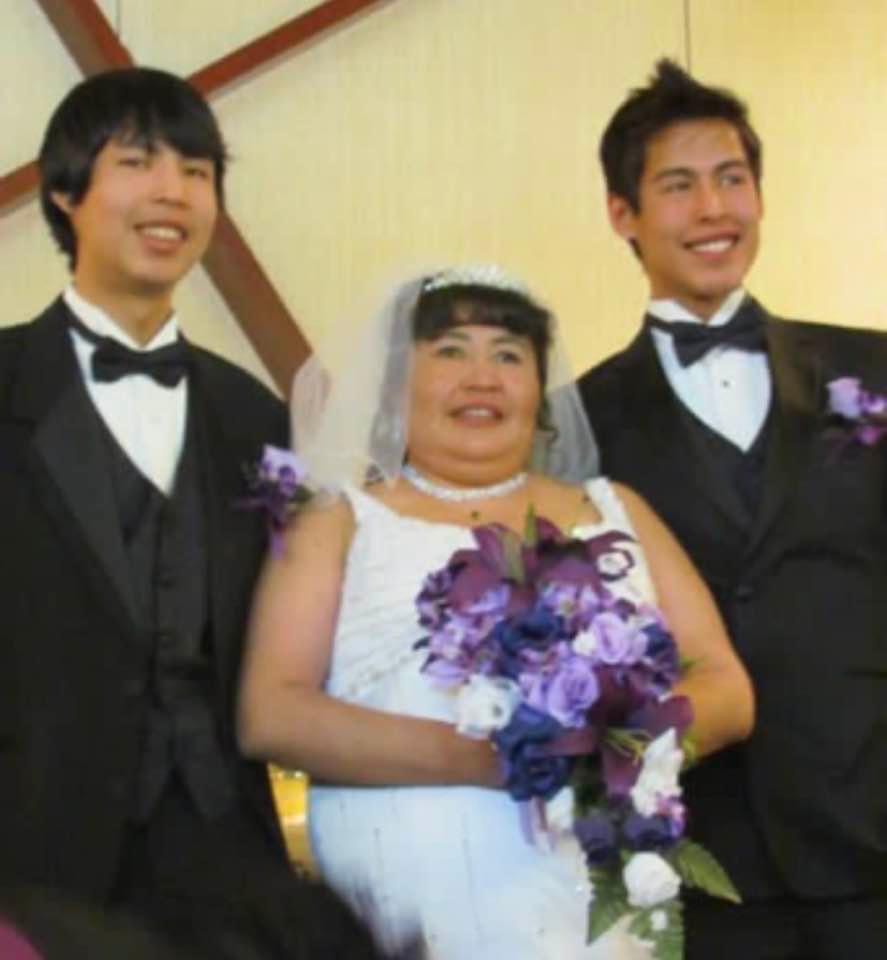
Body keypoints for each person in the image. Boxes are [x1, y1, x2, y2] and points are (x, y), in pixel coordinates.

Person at [238, 265, 754, 959]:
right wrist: (497, 760)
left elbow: (723, 685)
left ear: (541, 393)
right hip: (403, 905)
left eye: (508, 355)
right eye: (449, 351)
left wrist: (617, 751)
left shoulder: (615, 509)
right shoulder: (336, 520)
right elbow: (272, 713)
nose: (481, 376)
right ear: (395, 386)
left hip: (593, 883)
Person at [577, 60, 887, 959]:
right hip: (698, 853)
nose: (713, 209)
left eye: (732, 179)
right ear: (622, 215)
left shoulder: (869, 370)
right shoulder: (577, 417)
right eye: (677, 186)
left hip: (871, 822)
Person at [0, 67, 292, 936]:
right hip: (31, 844)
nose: (173, 191)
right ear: (64, 194)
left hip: (224, 845)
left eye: (197, 171)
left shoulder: (255, 415)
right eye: (137, 162)